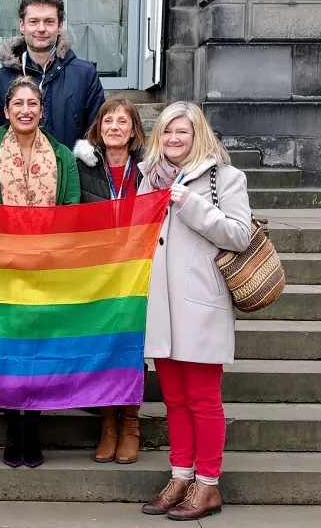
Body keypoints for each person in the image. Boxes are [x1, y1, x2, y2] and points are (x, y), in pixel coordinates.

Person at [137, 101, 252, 521]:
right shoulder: (148, 178)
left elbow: (239, 234)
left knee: (203, 400)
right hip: (160, 305)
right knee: (174, 399)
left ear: (197, 134)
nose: (172, 140)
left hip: (200, 304)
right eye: (166, 132)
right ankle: (180, 475)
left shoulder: (225, 176)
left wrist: (192, 205)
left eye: (181, 132)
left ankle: (208, 486)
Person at [0, 75, 80, 468]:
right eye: (18, 104)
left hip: (47, 267)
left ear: (42, 111)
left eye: (33, 104)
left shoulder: (63, 156)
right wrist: (10, 250)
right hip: (4, 266)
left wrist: (46, 251)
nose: (25, 110)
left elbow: (71, 208)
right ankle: (12, 427)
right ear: (6, 110)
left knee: (39, 347)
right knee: (8, 348)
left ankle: (33, 426)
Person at [72, 98, 147, 464]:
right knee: (102, 345)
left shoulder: (151, 169)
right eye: (108, 121)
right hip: (97, 270)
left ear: (134, 130)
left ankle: (130, 424)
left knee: (131, 345)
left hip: (138, 270)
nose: (114, 127)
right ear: (98, 129)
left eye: (122, 121)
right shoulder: (83, 166)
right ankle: (107, 426)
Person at [0, 0, 104, 149]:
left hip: (69, 171)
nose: (41, 29)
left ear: (60, 25)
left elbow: (96, 133)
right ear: (22, 25)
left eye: (49, 21)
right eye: (34, 21)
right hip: (16, 171)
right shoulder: (2, 78)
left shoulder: (84, 74)